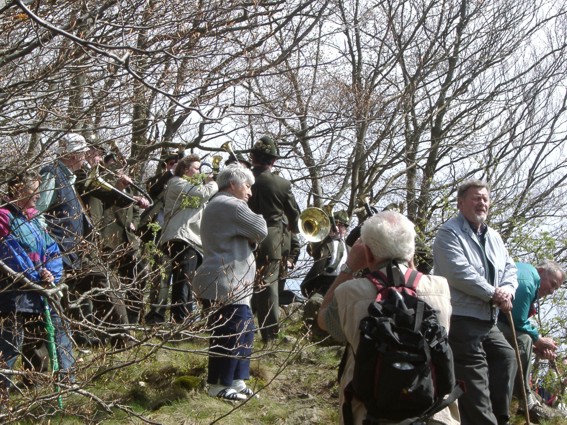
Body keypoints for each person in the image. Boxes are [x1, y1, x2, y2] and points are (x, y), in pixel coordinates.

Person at [317, 210, 459, 425]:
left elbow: (324, 321)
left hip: (368, 414)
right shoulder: (441, 288)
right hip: (432, 413)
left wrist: (349, 267)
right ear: (411, 252)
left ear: (368, 254)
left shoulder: (349, 293)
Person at [433, 179, 518, 425]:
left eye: (485, 198)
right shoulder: (448, 233)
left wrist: (508, 291)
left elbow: (509, 269)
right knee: (474, 373)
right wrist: (493, 293)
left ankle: (499, 418)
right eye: (476, 198)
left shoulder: (494, 236)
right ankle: (482, 420)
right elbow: (458, 272)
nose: (482, 202)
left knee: (506, 357)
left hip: (487, 319)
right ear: (460, 203)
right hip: (461, 317)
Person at [193, 164, 267, 401]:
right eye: (247, 186)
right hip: (225, 282)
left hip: (231, 282)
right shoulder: (231, 204)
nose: (250, 193)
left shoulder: (221, 204)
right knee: (229, 334)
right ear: (233, 184)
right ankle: (217, 384)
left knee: (244, 330)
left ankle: (236, 380)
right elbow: (260, 229)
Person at [0, 171, 75, 397]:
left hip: (41, 289)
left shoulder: (33, 218)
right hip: (15, 291)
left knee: (54, 333)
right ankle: (3, 392)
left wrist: (51, 274)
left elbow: (52, 249)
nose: (38, 195)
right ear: (17, 191)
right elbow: (10, 252)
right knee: (11, 343)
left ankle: (61, 384)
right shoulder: (4, 217)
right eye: (34, 190)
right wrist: (35, 276)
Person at [37, 133, 103, 346]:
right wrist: (50, 244)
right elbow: (38, 212)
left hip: (71, 251)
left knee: (74, 298)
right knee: (53, 305)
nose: (85, 156)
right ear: (73, 154)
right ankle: (47, 359)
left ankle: (79, 341)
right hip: (57, 253)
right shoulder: (52, 174)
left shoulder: (69, 177)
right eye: (83, 152)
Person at [497, 261, 566, 423]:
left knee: (526, 340)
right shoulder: (528, 281)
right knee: (525, 339)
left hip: (495, 321)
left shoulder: (526, 275)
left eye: (556, 288)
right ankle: (521, 394)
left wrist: (535, 347)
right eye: (552, 284)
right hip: (485, 320)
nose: (551, 291)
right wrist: (538, 339)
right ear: (541, 271)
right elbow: (517, 320)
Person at [247, 135, 300, 343]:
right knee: (268, 286)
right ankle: (270, 336)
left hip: (242, 236)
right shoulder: (282, 184)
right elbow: (294, 214)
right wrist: (293, 229)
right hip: (270, 240)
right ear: (273, 161)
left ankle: (237, 328)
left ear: (252, 157)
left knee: (241, 282)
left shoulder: (242, 179)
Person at [158, 154, 218, 323]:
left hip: (192, 240)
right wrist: (212, 182)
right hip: (181, 238)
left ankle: (186, 321)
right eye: (197, 168)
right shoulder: (176, 182)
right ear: (185, 169)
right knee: (183, 282)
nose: (200, 172)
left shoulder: (189, 186)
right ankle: (180, 323)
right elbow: (202, 193)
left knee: (189, 282)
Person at [301, 209, 350, 338]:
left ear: (345, 228)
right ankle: (308, 330)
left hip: (342, 283)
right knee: (314, 302)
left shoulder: (349, 248)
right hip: (324, 283)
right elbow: (313, 250)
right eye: (336, 224)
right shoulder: (324, 243)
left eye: (341, 225)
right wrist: (327, 237)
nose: (338, 228)